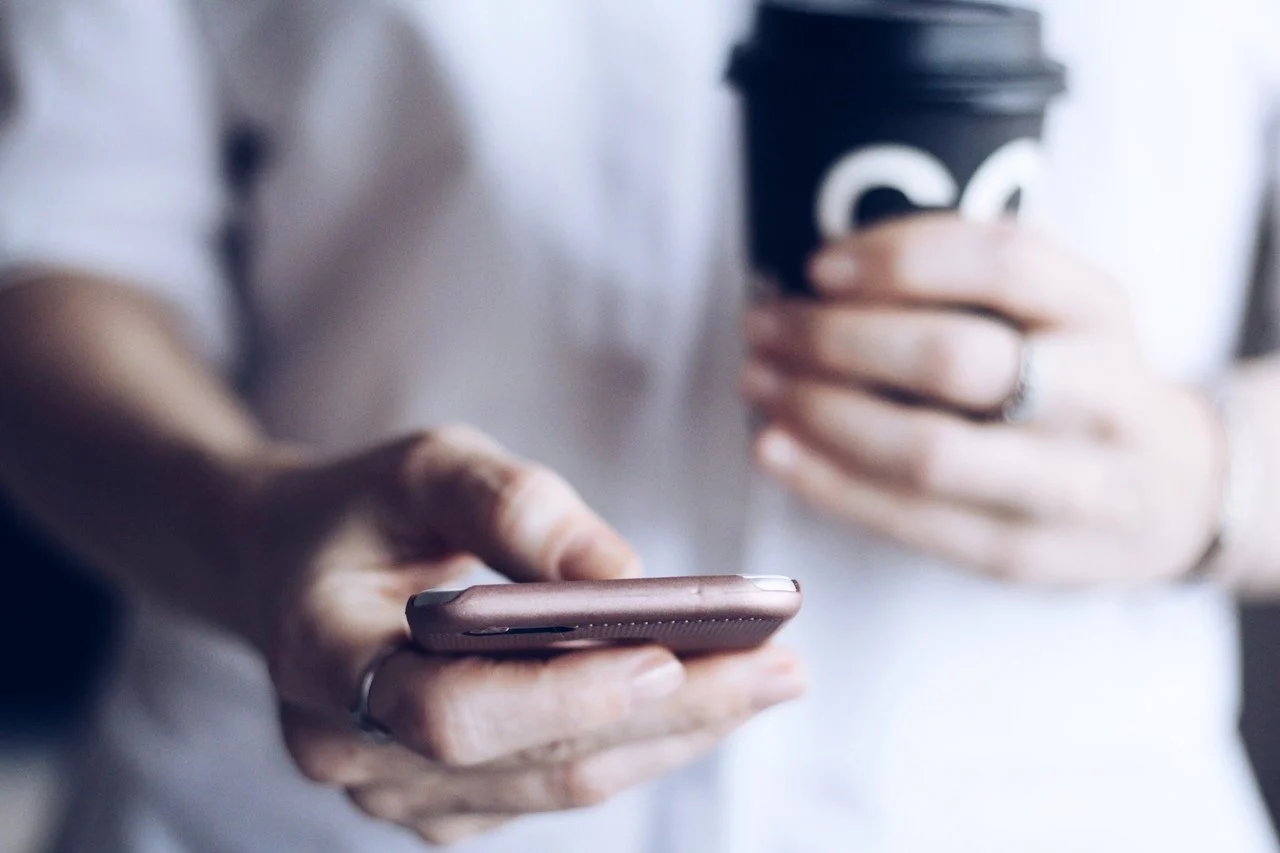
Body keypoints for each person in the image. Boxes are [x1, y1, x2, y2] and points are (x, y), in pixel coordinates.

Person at [1, 0, 1279, 850]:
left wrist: (1216, 478)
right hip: (288, 805)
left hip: (1074, 803)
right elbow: (55, 236)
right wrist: (241, 529)